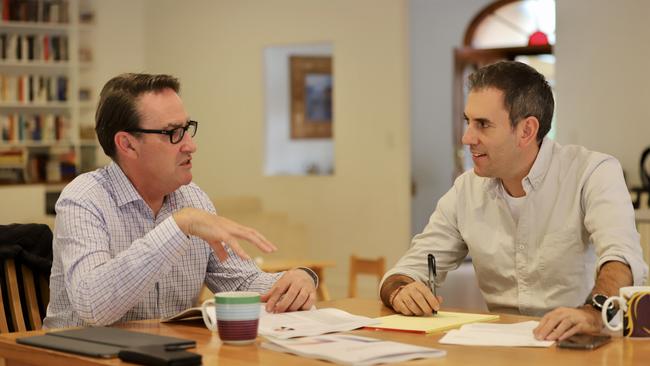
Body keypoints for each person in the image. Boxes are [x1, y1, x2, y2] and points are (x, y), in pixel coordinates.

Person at [379, 61, 648, 341]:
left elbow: (621, 260)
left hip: (581, 345)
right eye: (468, 121)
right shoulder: (466, 190)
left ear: (526, 131)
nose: (467, 137)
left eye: (483, 125)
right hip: (503, 348)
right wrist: (401, 290)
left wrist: (593, 312)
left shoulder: (593, 172)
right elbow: (407, 270)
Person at [44, 73, 318, 328]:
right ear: (127, 144)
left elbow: (241, 282)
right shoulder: (83, 199)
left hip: (165, 352)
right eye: (173, 133)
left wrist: (294, 281)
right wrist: (178, 226)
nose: (190, 144)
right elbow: (93, 306)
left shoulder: (192, 198)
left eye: (187, 128)